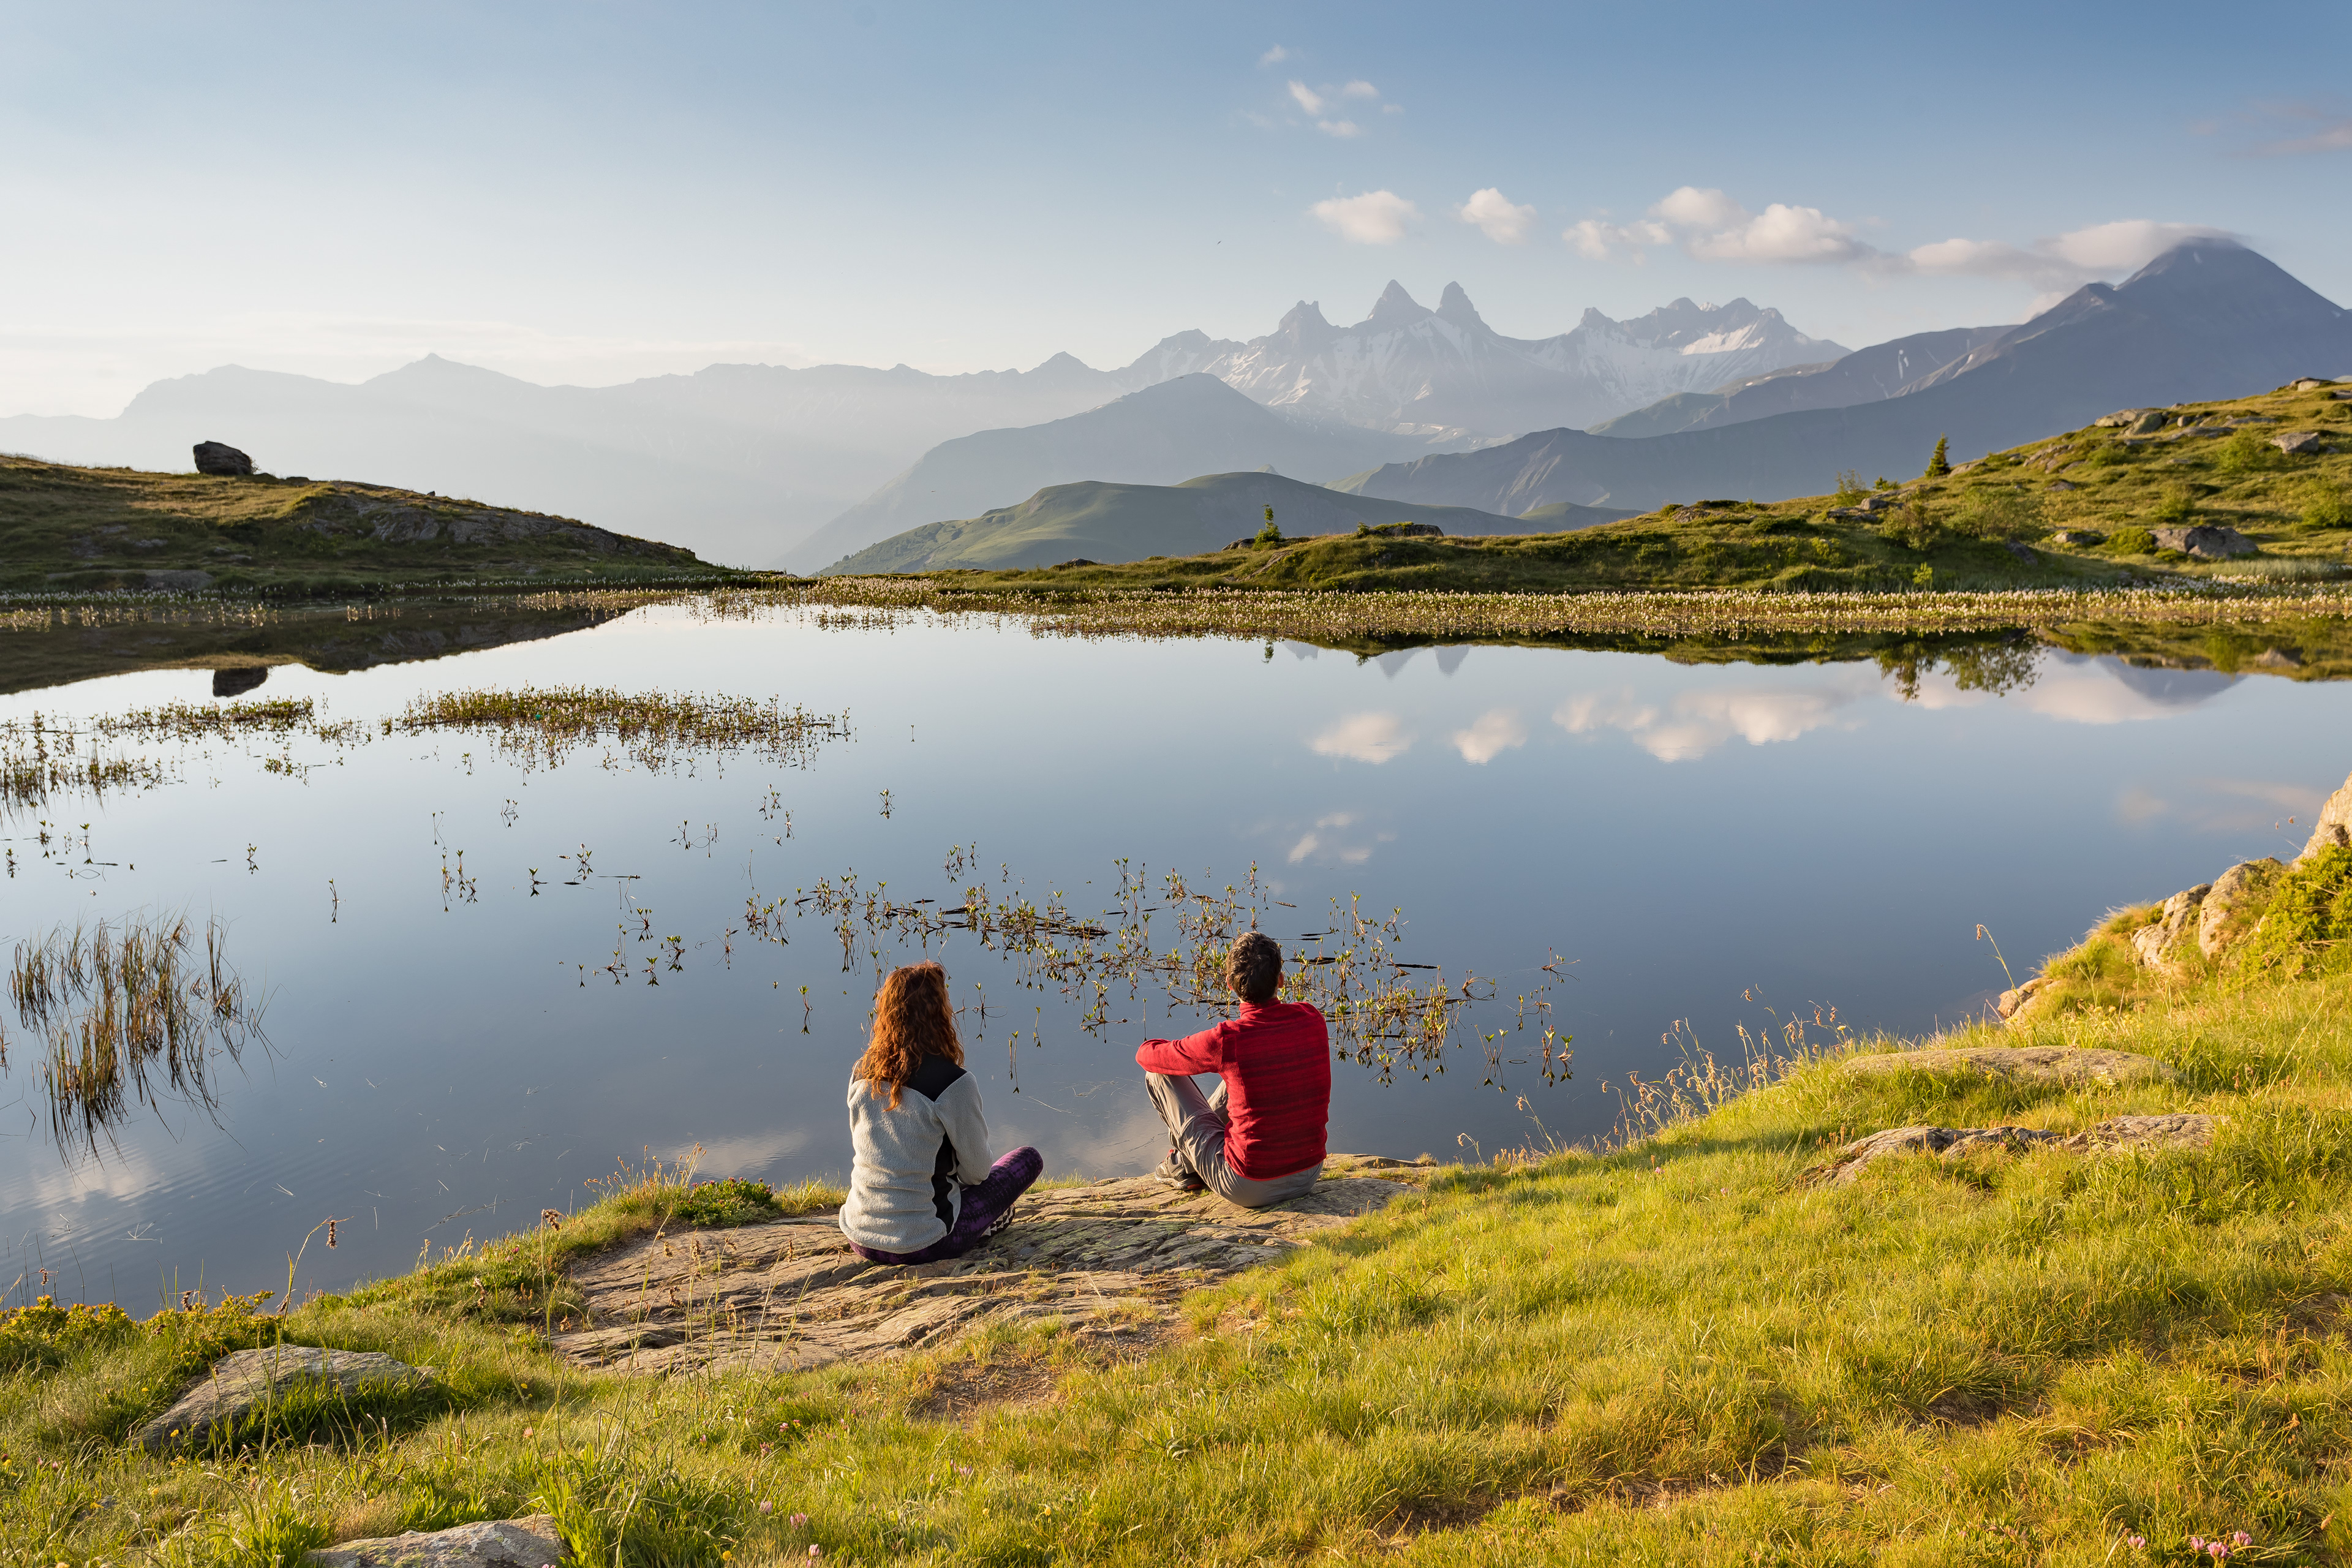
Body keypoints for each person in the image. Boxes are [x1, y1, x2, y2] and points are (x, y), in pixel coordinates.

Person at [839, 961, 1042, 1264]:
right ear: (939, 1014)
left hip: (861, 1236)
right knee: (1028, 1159)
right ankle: (987, 1224)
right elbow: (977, 1173)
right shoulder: (954, 1083)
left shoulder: (861, 1073)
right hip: (926, 1242)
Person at [1135, 932, 1330, 1207]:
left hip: (1248, 1184)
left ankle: (1182, 1164)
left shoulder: (1229, 1039)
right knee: (1243, 1075)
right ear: (1281, 981)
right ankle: (1184, 1163)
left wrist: (1151, 1044)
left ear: (1230, 985)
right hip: (1308, 1174)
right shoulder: (1313, 1018)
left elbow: (1149, 1056)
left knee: (1158, 1072)